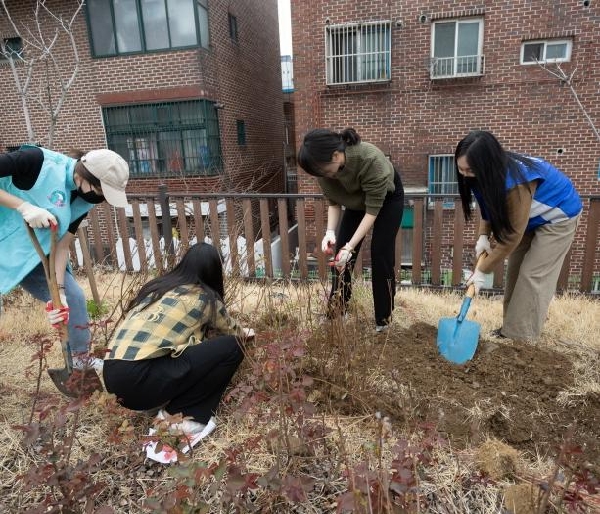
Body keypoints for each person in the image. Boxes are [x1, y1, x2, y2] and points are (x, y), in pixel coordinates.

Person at [103, 242, 253, 444]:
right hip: (140, 380)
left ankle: (155, 403)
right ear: (214, 272)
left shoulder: (157, 288)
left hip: (112, 375)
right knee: (233, 346)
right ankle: (182, 417)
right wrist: (247, 333)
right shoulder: (206, 298)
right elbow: (235, 332)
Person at [0, 144, 130, 373]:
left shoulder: (85, 199)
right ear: (85, 175)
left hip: (31, 254)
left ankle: (80, 359)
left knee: (74, 296)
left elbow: (61, 247)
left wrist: (58, 292)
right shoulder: (35, 161)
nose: (100, 198)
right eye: (101, 190)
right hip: (6, 241)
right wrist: (23, 206)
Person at [456, 130, 582, 340]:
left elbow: (512, 235)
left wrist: (482, 271)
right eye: (460, 169)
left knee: (532, 275)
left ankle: (520, 338)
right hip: (529, 219)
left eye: (469, 169)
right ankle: (511, 329)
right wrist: (484, 236)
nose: (464, 174)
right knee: (514, 272)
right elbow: (490, 206)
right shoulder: (482, 175)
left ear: (486, 163)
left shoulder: (515, 184)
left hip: (559, 216)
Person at [297, 128, 404, 332]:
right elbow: (335, 203)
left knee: (380, 253)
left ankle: (384, 319)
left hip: (387, 199)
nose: (324, 176)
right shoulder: (323, 170)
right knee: (340, 260)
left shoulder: (370, 159)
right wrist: (331, 233)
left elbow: (372, 211)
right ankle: (338, 311)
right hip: (356, 201)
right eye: (319, 173)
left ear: (336, 155)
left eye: (325, 171)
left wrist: (350, 246)